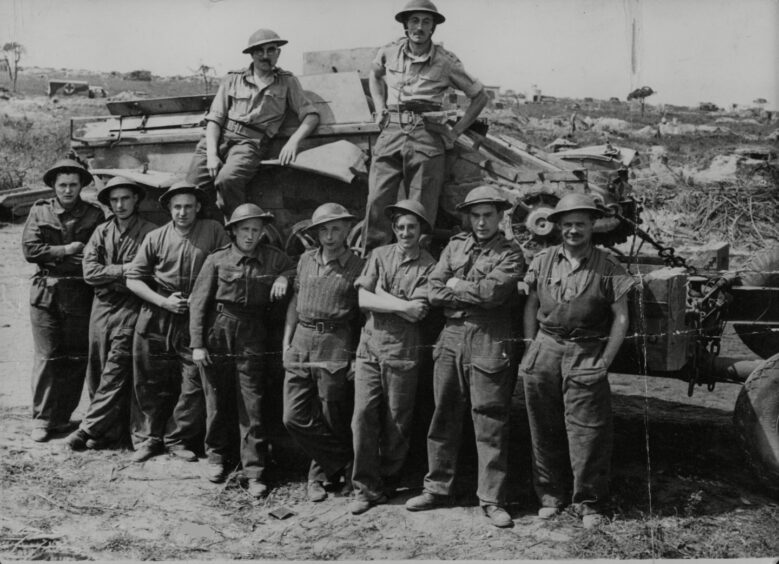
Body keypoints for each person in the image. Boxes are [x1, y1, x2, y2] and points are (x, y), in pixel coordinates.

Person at [405, 185, 523, 528]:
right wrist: (460, 289)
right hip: (452, 336)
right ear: (468, 217)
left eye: (488, 215)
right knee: (443, 413)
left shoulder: (511, 252)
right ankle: (437, 488)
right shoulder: (456, 245)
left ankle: (492, 499)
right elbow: (433, 288)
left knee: (489, 418)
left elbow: (493, 294)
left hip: (489, 336)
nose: (482, 222)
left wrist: (457, 286)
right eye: (476, 215)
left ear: (500, 217)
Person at [520, 193, 634, 529]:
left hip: (586, 353)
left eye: (580, 224)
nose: (573, 230)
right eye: (567, 224)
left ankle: (589, 502)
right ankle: (550, 496)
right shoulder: (542, 261)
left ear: (591, 226)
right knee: (543, 425)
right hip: (545, 348)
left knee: (588, 431)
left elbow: (622, 318)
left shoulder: (609, 267)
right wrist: (530, 347)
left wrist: (605, 360)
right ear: (557, 227)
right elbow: (529, 307)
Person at [362, 0, 489, 251]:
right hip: (392, 130)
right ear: (405, 25)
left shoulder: (446, 61)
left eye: (426, 21)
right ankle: (372, 258)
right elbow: (374, 76)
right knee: (377, 198)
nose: (419, 27)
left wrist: (455, 132)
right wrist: (379, 109)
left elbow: (480, 96)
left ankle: (416, 262)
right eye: (414, 21)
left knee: (421, 203)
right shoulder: (388, 51)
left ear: (433, 28)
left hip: (427, 134)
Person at [189, 203, 295, 497]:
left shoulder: (273, 259)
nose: (250, 235)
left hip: (253, 333)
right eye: (245, 229)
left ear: (263, 232)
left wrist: (285, 277)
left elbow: (295, 267)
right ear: (233, 231)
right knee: (217, 399)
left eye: (256, 230)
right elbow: (198, 304)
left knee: (252, 402)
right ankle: (217, 458)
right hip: (218, 332)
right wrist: (197, 344)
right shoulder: (217, 260)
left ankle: (255, 471)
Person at [125, 181, 229, 463]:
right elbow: (133, 279)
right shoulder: (156, 237)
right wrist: (163, 302)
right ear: (169, 209)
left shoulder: (213, 231)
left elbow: (230, 264)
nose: (182, 212)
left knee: (193, 383)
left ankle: (177, 438)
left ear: (198, 208)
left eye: (188, 206)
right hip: (157, 315)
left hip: (196, 318)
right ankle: (148, 439)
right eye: (177, 207)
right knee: (148, 380)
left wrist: (203, 297)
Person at [349, 199, 436, 515]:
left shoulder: (430, 265)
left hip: (402, 353)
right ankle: (364, 488)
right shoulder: (378, 255)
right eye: (399, 227)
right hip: (369, 349)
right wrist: (399, 303)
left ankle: (387, 483)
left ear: (421, 231)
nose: (404, 232)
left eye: (411, 227)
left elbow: (419, 313)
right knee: (362, 418)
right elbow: (362, 298)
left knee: (397, 422)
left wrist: (381, 296)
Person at [186, 28, 320, 219]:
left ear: (278, 53)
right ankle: (209, 230)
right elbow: (215, 119)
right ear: (251, 54)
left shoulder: (287, 82)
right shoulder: (233, 79)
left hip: (250, 143)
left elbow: (311, 115)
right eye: (259, 51)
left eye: (271, 50)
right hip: (219, 138)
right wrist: (212, 154)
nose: (265, 56)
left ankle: (237, 226)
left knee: (228, 179)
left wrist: (293, 142)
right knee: (189, 189)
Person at [65, 177, 157, 451]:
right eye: (114, 200)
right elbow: (90, 273)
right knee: (98, 366)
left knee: (117, 366)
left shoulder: (150, 232)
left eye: (125, 198)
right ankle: (108, 432)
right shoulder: (101, 232)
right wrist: (121, 270)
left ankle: (87, 428)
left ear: (136, 200)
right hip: (102, 307)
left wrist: (117, 274)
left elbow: (144, 273)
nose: (120, 205)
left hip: (131, 306)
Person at [282, 203, 364, 502]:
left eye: (336, 229)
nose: (329, 236)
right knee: (293, 416)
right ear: (316, 233)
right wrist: (286, 342)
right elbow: (295, 300)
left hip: (335, 340)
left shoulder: (357, 265)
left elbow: (362, 316)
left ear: (346, 231)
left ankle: (317, 478)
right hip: (302, 339)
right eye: (324, 230)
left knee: (331, 414)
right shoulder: (305, 260)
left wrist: (355, 355)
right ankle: (344, 461)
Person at [22, 158, 104, 442]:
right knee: (47, 356)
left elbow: (96, 256)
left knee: (75, 358)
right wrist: (67, 249)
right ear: (54, 187)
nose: (68, 190)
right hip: (46, 293)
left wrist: (56, 255)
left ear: (81, 185)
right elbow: (31, 250)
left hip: (81, 293)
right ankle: (41, 419)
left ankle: (61, 418)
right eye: (62, 185)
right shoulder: (40, 210)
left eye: (73, 185)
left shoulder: (94, 215)